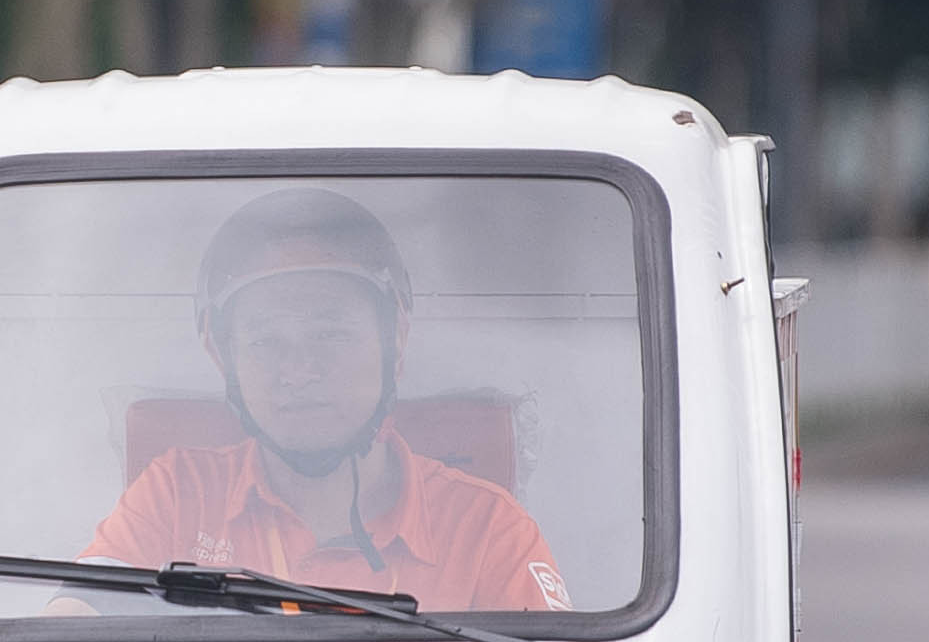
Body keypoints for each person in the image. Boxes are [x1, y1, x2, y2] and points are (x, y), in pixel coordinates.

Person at [82, 188, 571, 611]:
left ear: (395, 339)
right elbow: (72, 626)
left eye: (331, 335)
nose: (298, 371)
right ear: (221, 355)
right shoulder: (175, 494)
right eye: (266, 341)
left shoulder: (488, 527)